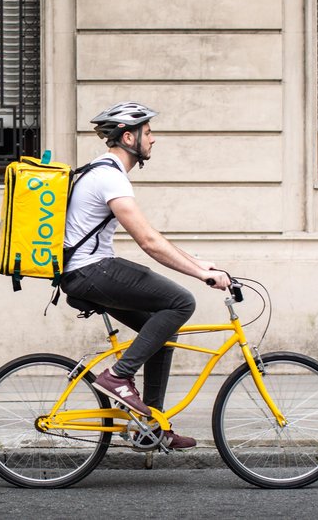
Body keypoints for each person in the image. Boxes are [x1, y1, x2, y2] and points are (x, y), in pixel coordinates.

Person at [59, 101, 230, 450]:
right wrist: (200, 276)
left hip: (88, 270)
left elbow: (154, 236)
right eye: (148, 132)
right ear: (128, 137)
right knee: (181, 302)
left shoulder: (104, 171)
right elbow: (149, 242)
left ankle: (151, 426)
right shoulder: (109, 176)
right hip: (91, 270)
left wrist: (200, 263)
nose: (153, 139)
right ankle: (118, 376)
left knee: (161, 332)